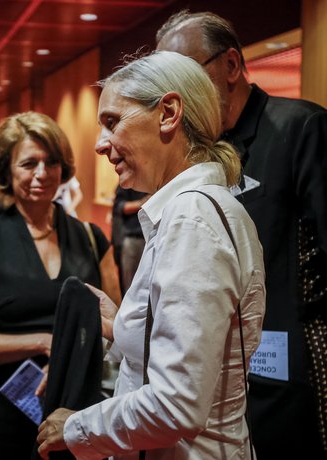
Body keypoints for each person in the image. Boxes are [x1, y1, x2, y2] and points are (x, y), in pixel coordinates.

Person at [37, 51, 266, 459]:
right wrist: (124, 323)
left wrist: (76, 427)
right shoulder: (193, 210)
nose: (99, 145)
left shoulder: (192, 217)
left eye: (112, 122)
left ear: (168, 113)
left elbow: (176, 405)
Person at [156, 10, 327, 458]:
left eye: (186, 72)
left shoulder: (300, 127)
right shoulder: (193, 152)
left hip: (291, 362)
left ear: (231, 65)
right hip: (215, 368)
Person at [0, 111, 121, 460]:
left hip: (76, 408)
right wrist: (46, 343)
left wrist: (68, 356)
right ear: (6, 170)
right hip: (0, 407)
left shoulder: (91, 238)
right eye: (29, 163)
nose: (42, 174)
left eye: (51, 162)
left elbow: (116, 326)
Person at [111, 186, 148, 294]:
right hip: (132, 239)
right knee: (130, 287)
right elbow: (120, 207)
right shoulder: (129, 182)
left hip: (149, 238)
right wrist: (144, 202)